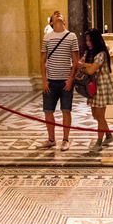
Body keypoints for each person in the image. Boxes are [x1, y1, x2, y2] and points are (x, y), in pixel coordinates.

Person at [40, 10, 79, 151]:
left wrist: (70, 79)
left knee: (66, 110)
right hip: (51, 81)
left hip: (65, 82)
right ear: (51, 22)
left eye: (60, 14)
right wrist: (44, 80)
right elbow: (43, 59)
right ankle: (51, 139)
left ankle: (66, 139)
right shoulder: (47, 37)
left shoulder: (71, 36)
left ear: (64, 20)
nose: (58, 14)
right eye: (55, 14)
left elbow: (75, 60)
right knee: (48, 111)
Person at [77, 28, 113, 152]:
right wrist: (86, 65)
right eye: (87, 40)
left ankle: (99, 142)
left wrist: (84, 66)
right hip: (93, 87)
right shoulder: (89, 53)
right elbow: (84, 65)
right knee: (96, 115)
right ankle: (109, 136)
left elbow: (90, 70)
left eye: (90, 40)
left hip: (102, 87)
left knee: (100, 115)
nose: (88, 43)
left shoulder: (101, 54)